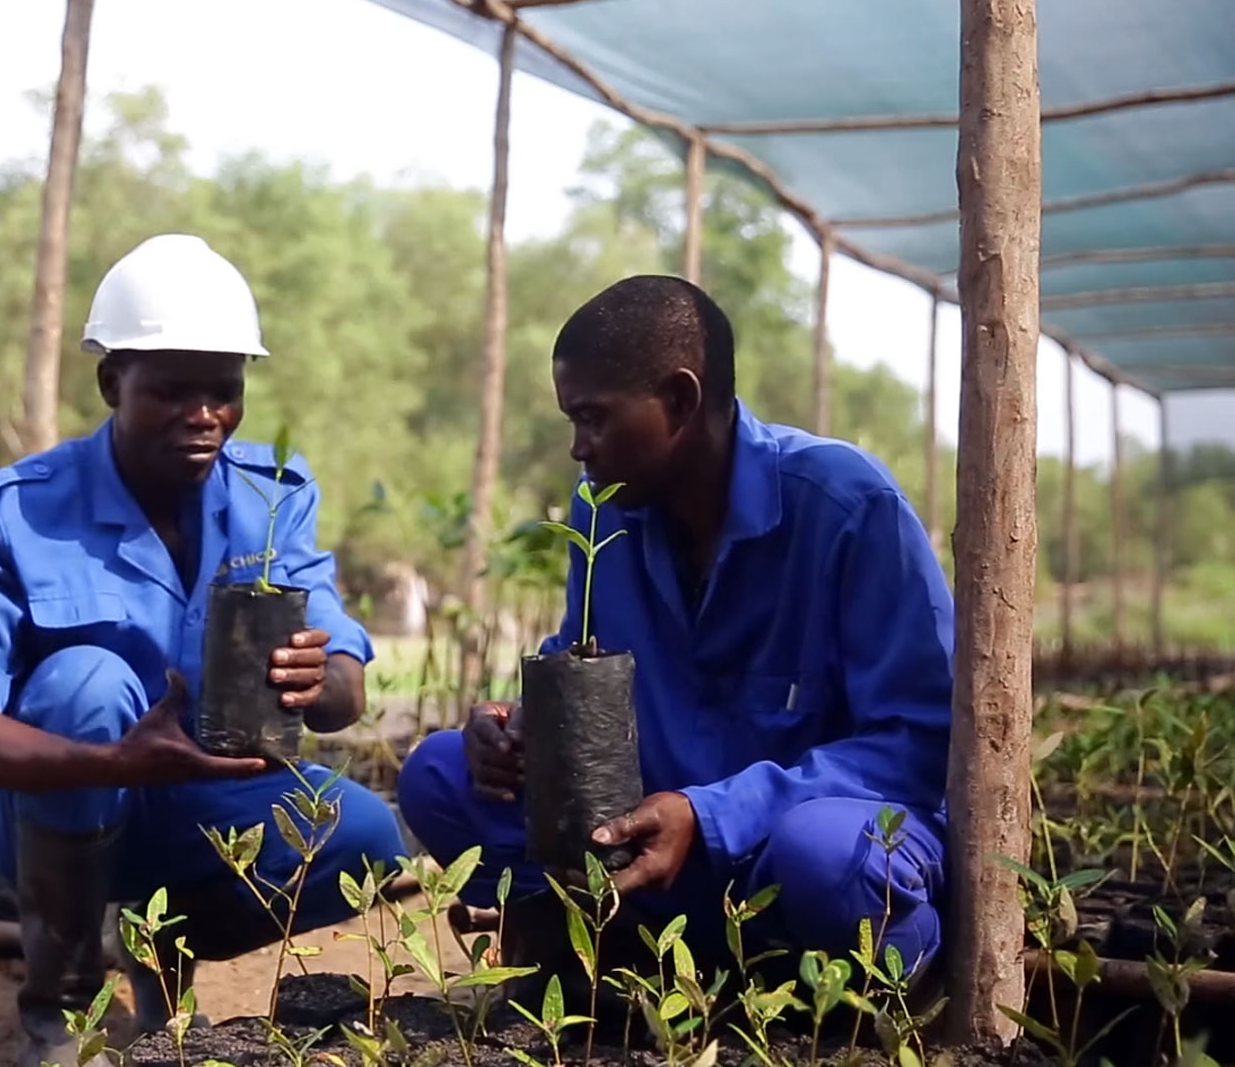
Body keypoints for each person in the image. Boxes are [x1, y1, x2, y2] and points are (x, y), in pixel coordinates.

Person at [0, 233, 407, 1067]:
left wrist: (323, 675)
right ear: (112, 383)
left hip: (196, 802)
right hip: (51, 802)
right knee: (86, 682)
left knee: (362, 833)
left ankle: (157, 945)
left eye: (225, 391)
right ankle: (61, 1007)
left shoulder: (270, 498)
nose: (204, 415)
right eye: (173, 391)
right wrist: (110, 763)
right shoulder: (19, 511)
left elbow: (343, 695)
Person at [397, 274, 953, 995]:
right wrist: (522, 728)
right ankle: (618, 952)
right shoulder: (601, 515)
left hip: (788, 856)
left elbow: (920, 744)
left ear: (682, 400)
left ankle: (878, 976)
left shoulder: (847, 508)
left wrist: (712, 813)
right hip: (656, 850)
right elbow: (589, 684)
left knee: (822, 856)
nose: (578, 448)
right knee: (440, 773)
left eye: (594, 419)